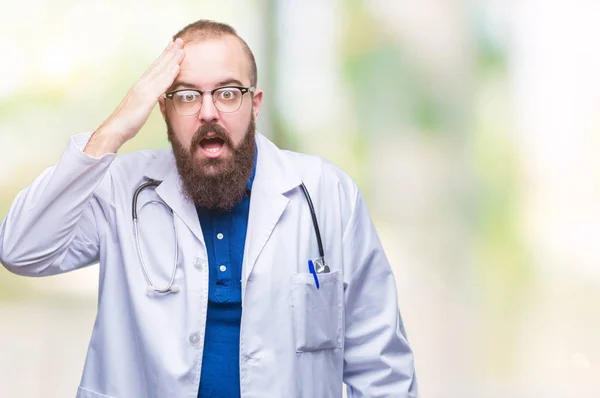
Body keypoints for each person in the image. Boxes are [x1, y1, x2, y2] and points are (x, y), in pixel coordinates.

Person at [0, 19, 417, 398]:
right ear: (162, 109)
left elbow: (382, 369)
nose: (208, 112)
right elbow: (20, 249)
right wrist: (116, 126)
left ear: (255, 104)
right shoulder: (122, 190)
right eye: (186, 96)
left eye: (228, 93)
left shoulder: (327, 195)